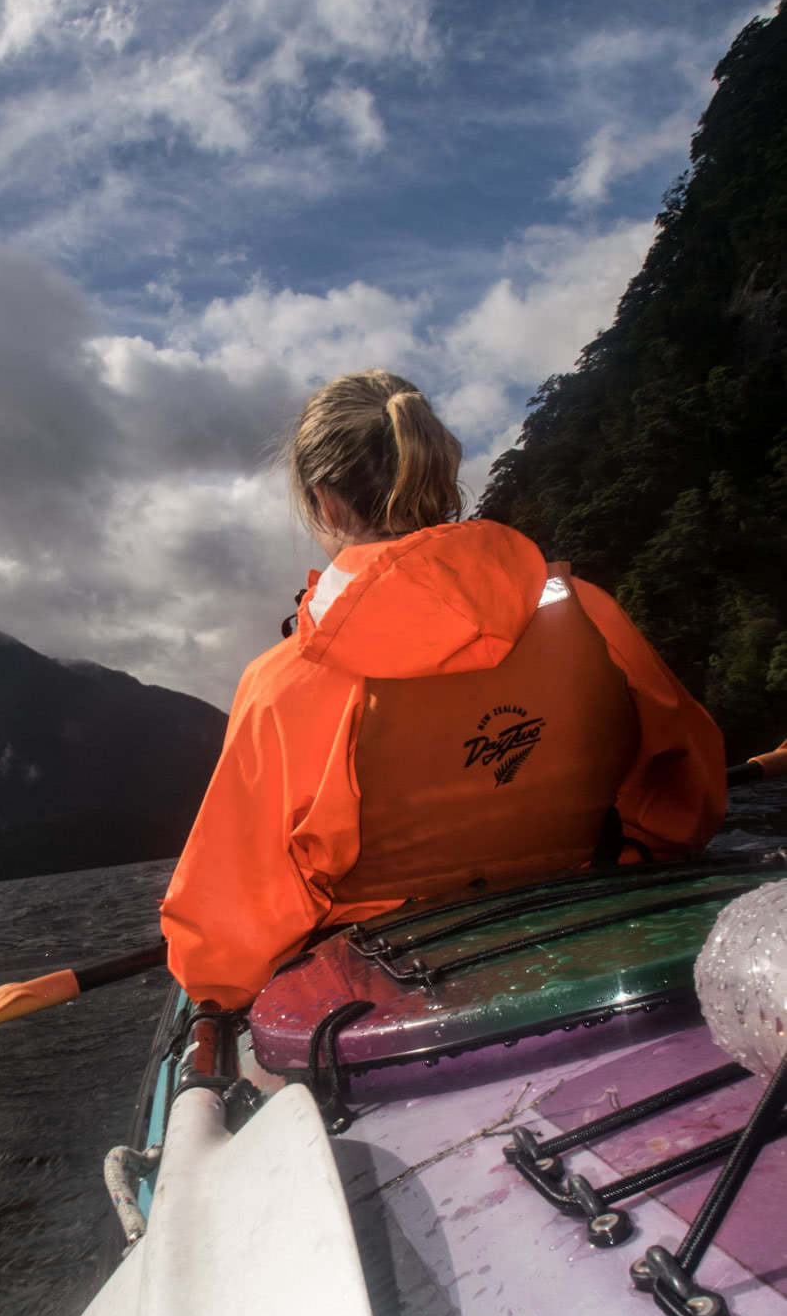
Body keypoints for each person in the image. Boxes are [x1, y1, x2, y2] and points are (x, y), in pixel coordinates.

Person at [160, 370, 726, 1011]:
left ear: (327, 503)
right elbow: (690, 803)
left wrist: (216, 984)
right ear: (440, 477)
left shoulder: (287, 682)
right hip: (594, 936)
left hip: (393, 987)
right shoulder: (591, 615)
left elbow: (226, 942)